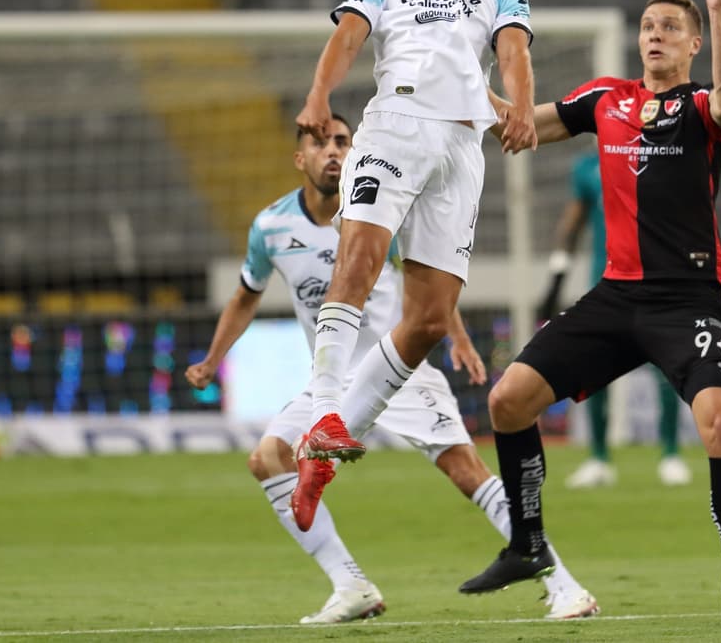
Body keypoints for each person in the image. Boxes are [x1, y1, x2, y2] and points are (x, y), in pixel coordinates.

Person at [185, 119, 599, 623]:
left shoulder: (376, 209)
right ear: (300, 159)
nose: (333, 152)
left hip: (397, 368)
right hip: (331, 385)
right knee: (268, 459)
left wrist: (459, 337)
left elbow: (429, 278)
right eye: (320, 143)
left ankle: (565, 585)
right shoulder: (270, 227)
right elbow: (245, 297)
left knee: (466, 471)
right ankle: (351, 585)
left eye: (342, 141)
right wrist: (212, 359)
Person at [461, 0, 721, 627]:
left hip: (685, 300)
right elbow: (521, 129)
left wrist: (717, 14)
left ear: (692, 45)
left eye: (669, 28)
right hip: (615, 297)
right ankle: (527, 542)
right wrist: (459, 76)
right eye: (647, 26)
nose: (654, 35)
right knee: (509, 399)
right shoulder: (607, 99)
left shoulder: (700, 108)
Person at [290, 0, 538, 524]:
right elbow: (348, 36)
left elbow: (512, 53)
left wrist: (517, 104)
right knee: (361, 260)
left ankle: (324, 452)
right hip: (395, 125)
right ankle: (323, 410)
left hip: (461, 149)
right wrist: (319, 95)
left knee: (430, 317)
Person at [540, 151, 692, 488]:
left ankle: (670, 453)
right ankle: (598, 458)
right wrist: (556, 278)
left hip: (656, 281)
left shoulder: (660, 151)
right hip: (604, 282)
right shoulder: (587, 168)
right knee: (593, 371)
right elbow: (573, 225)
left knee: (666, 369)